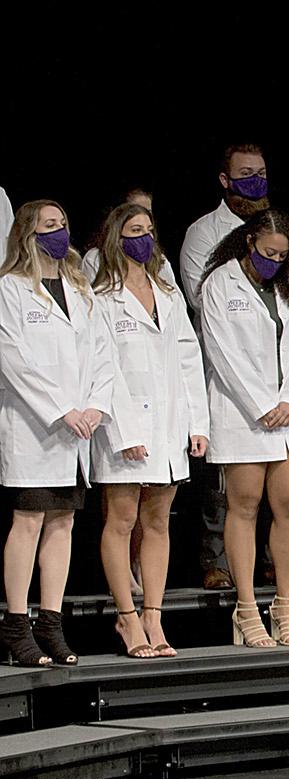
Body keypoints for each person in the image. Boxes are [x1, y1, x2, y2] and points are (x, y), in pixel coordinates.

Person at [180, 143, 289, 591]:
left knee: (287, 504)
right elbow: (205, 309)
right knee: (232, 499)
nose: (256, 181)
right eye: (245, 173)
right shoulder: (206, 236)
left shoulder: (288, 235)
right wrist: (263, 400)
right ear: (224, 179)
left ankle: (278, 586)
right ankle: (222, 568)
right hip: (237, 393)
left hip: (287, 401)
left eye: (261, 172)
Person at [89, 202, 209, 658]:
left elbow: (187, 359)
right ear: (117, 238)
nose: (144, 237)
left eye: (150, 229)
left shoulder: (170, 294)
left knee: (157, 522)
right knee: (121, 521)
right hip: (125, 427)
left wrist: (198, 422)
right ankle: (126, 616)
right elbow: (103, 370)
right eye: (135, 230)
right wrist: (123, 430)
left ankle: (153, 616)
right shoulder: (101, 297)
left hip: (168, 425)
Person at [0, 200, 113, 666]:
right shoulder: (10, 289)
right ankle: (15, 623)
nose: (59, 233)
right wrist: (61, 410)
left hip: (78, 430)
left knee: (62, 523)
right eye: (50, 226)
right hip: (34, 427)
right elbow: (13, 360)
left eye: (64, 224)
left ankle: (51, 621)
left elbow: (103, 354)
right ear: (27, 233)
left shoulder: (80, 287)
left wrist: (94, 408)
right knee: (28, 522)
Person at [198, 209, 289, 649]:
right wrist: (263, 404)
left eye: (283, 256)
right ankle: (246, 610)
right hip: (243, 414)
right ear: (249, 243)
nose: (275, 261)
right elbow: (221, 352)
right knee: (243, 507)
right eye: (268, 253)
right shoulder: (219, 285)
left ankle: (284, 608)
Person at [82, 189, 176, 289]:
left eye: (147, 211)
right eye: (134, 209)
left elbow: (175, 297)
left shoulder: (159, 260)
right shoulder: (95, 259)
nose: (141, 215)